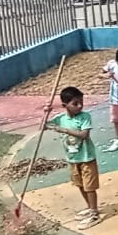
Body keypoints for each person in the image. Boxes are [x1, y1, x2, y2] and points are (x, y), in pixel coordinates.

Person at [47, 86, 101, 227]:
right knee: (80, 184)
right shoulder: (60, 119)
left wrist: (64, 130)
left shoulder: (85, 117)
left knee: (89, 187)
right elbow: (44, 126)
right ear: (65, 105)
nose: (80, 106)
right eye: (75, 103)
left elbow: (84, 135)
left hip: (87, 158)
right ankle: (90, 207)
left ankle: (94, 214)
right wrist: (47, 113)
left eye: (81, 102)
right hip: (72, 159)